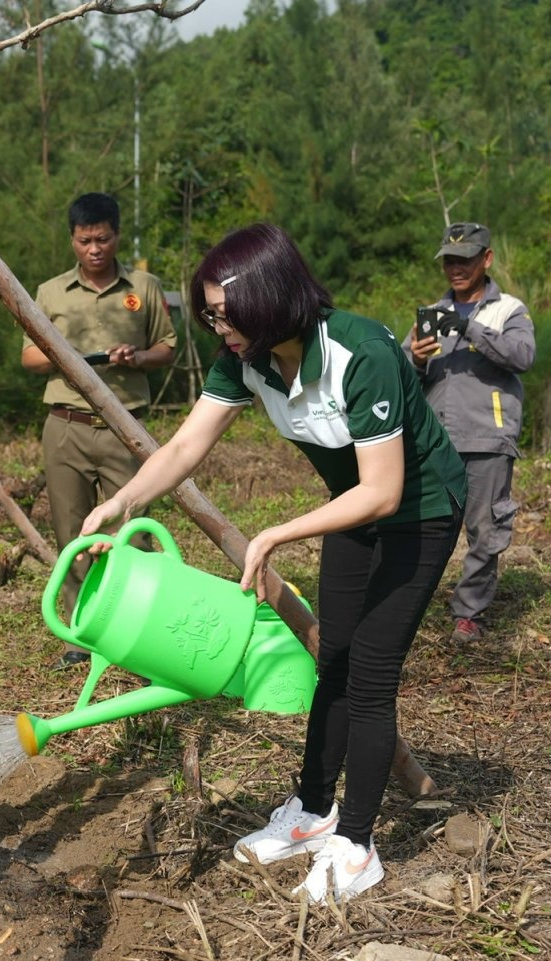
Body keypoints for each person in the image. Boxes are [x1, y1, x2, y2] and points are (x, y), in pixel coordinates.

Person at [80, 224, 465, 905]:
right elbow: (186, 444)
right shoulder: (249, 359)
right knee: (335, 659)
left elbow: (386, 489)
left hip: (419, 511)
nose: (218, 329)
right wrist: (123, 500)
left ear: (270, 295)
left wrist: (276, 534)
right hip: (355, 507)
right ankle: (313, 811)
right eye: (212, 317)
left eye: (226, 314)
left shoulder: (360, 351)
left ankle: (356, 845)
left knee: (371, 674)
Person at [21, 192, 176, 664]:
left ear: (116, 236)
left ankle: (143, 636)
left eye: (103, 239)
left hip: (125, 427)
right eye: (85, 240)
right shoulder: (49, 293)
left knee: (135, 531)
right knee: (72, 534)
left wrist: (139, 357)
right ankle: (82, 635)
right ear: (72, 239)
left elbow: (168, 347)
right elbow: (27, 357)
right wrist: (64, 358)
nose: (94, 249)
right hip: (65, 426)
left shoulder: (143, 287)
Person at [404, 222, 536, 644]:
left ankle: (468, 614)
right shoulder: (430, 314)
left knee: (485, 529)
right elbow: (403, 375)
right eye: (449, 260)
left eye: (465, 259)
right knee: (423, 526)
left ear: (487, 259)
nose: (456, 268)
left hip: (488, 439)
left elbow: (522, 355)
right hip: (435, 441)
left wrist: (469, 328)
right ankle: (411, 604)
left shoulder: (508, 310)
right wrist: (417, 359)